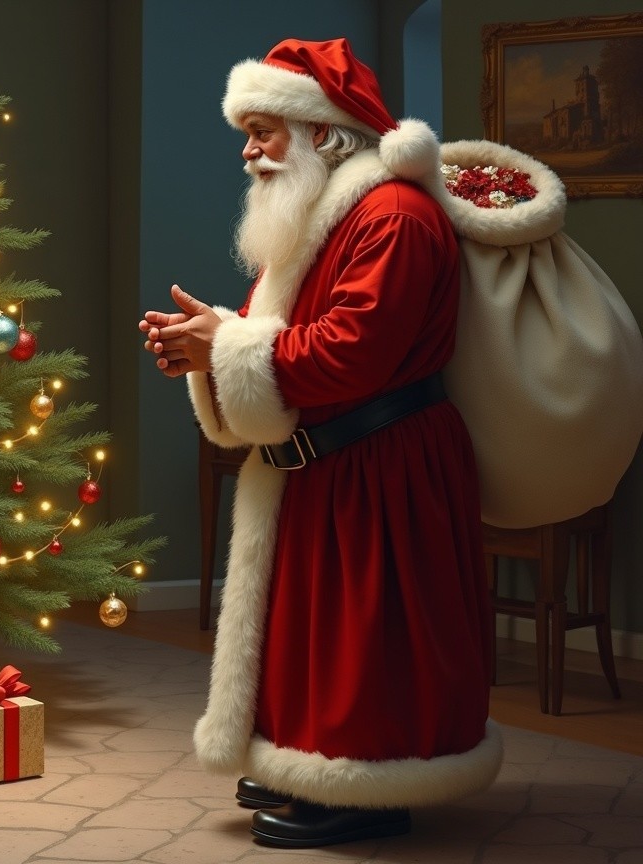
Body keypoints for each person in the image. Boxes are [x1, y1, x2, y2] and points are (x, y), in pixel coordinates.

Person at [139, 38, 502, 849]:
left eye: (262, 131)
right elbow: (287, 338)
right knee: (313, 626)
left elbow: (351, 351)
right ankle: (307, 759)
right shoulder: (324, 214)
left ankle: (366, 784)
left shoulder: (395, 217)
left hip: (384, 458)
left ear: (321, 132)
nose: (248, 151)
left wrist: (222, 345)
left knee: (365, 633)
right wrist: (211, 339)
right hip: (328, 456)